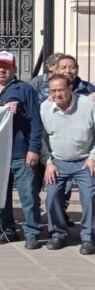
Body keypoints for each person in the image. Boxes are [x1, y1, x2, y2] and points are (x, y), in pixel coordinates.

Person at [0, 51, 43, 250]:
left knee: (28, 195)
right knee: (1, 196)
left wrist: (34, 148)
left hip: (21, 152)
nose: (2, 70)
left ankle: (32, 232)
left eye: (7, 67)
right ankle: (7, 230)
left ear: (14, 69)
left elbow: (36, 121)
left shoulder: (25, 89)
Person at [40, 73, 95, 254]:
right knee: (52, 196)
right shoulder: (45, 108)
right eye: (53, 90)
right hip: (58, 161)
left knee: (90, 197)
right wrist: (48, 162)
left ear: (70, 89)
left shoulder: (88, 106)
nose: (57, 94)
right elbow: (42, 139)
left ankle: (88, 237)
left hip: (85, 160)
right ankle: (58, 234)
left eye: (61, 90)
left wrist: (93, 157)